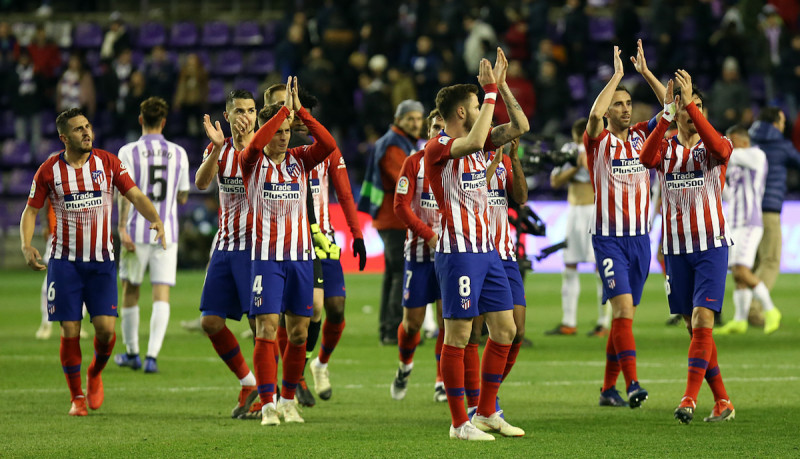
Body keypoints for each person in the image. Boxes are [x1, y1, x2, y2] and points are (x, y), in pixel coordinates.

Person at [20, 108, 165, 416]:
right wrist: (25, 244)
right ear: (64, 138)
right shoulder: (49, 170)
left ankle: (95, 373)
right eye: (77, 129)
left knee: (105, 332)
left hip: (101, 263)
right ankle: (77, 398)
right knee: (70, 329)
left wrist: (155, 219)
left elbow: (136, 194)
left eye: (87, 126)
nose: (86, 132)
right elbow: (31, 210)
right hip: (65, 263)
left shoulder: (107, 162)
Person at [425, 48, 528, 440]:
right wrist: (486, 90)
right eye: (477, 104)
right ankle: (458, 424)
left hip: (488, 251)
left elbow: (521, 125)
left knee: (504, 330)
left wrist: (499, 88)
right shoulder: (439, 148)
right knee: (459, 335)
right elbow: (473, 141)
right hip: (458, 253)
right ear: (463, 113)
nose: (483, 108)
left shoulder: (481, 145)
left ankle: (486, 412)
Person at [640, 72, 735, 424]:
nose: (693, 114)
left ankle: (689, 399)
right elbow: (646, 159)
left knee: (702, 320)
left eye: (699, 110)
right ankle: (722, 400)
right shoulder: (666, 150)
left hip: (711, 246)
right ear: (677, 113)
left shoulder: (715, 145)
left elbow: (722, 150)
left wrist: (692, 105)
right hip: (677, 250)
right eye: (687, 109)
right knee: (694, 329)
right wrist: (667, 112)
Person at [241, 77, 336, 426]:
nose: (284, 137)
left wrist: (301, 116)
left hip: (301, 259)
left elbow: (328, 143)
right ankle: (267, 405)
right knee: (266, 328)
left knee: (298, 333)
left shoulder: (300, 159)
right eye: (278, 131)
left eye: (286, 131)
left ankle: (287, 399)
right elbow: (255, 146)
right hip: (266, 259)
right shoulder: (251, 162)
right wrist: (283, 111)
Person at [264, 84, 366, 404]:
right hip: (287, 240)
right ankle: (294, 379)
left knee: (333, 307)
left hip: (322, 237)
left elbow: (344, 192)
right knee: (295, 312)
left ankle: (319, 363)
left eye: (290, 104)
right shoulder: (269, 149)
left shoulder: (317, 144)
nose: (288, 109)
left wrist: (357, 233)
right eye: (280, 105)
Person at [585, 42, 666, 409]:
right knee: (621, 311)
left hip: (640, 241)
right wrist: (617, 75)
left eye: (627, 104)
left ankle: (607, 390)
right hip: (609, 241)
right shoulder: (598, 143)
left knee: (625, 317)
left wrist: (646, 73)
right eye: (618, 103)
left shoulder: (641, 138)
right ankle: (633, 383)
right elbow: (593, 117)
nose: (623, 108)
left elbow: (671, 108)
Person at [194, 89, 259, 419]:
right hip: (225, 245)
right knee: (210, 321)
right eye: (239, 111)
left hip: (258, 248)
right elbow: (202, 182)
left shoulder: (266, 148)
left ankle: (270, 392)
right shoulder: (218, 148)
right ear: (228, 114)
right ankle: (249, 382)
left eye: (250, 110)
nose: (245, 116)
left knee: (262, 325)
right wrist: (217, 149)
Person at [114, 97, 189, 374]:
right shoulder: (179, 153)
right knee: (161, 294)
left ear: (140, 120)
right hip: (166, 233)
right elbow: (182, 197)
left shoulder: (127, 152)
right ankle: (152, 357)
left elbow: (124, 194)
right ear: (164, 121)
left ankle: (132, 352)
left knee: (130, 291)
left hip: (135, 230)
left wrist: (122, 227)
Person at [390, 109, 445, 402]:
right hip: (419, 253)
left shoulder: (458, 161)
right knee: (412, 322)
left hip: (450, 256)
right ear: (427, 132)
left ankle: (441, 381)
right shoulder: (414, 162)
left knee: (448, 319)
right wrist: (429, 235)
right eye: (435, 127)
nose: (439, 132)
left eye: (444, 127)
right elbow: (400, 206)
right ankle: (404, 365)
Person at [359, 99, 424, 345]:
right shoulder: (394, 144)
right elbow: (404, 179)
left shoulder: (398, 141)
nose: (416, 123)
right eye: (411, 119)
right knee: (400, 273)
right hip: (394, 218)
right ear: (399, 120)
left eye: (419, 119)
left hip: (388, 217)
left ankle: (387, 329)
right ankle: (395, 330)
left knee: (393, 274)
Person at [717, 125, 781, 335]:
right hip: (734, 222)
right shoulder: (735, 165)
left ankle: (771, 310)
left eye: (731, 141)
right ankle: (739, 320)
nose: (729, 145)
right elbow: (728, 194)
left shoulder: (756, 155)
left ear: (742, 141)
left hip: (749, 223)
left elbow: (728, 155)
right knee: (737, 273)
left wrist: (715, 146)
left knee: (743, 270)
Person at [547, 118, 608, 337]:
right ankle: (569, 322)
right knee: (569, 266)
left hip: (594, 211)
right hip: (573, 212)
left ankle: (603, 323)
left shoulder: (602, 147)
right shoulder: (569, 151)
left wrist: (588, 164)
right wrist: (575, 167)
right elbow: (554, 181)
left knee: (601, 269)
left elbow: (607, 182)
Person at [747, 108, 800, 325]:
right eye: (782, 121)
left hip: (747, 211)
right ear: (775, 122)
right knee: (770, 260)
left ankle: (744, 310)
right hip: (769, 210)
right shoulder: (782, 146)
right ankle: (755, 309)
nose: (784, 125)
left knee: (753, 262)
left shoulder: (747, 141)